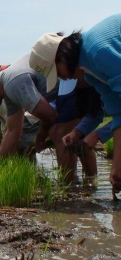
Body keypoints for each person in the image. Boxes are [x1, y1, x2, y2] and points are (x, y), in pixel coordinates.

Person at [28, 13, 121, 192]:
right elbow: (117, 111)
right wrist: (80, 132)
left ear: (61, 57)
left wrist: (117, 162)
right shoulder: (88, 72)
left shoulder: (97, 51)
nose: (63, 77)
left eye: (57, 72)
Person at [0, 54, 58, 160]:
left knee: (59, 132)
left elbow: (51, 116)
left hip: (71, 88)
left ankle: (70, 176)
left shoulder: (12, 85)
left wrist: (40, 137)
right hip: (60, 96)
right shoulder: (7, 90)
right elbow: (13, 131)